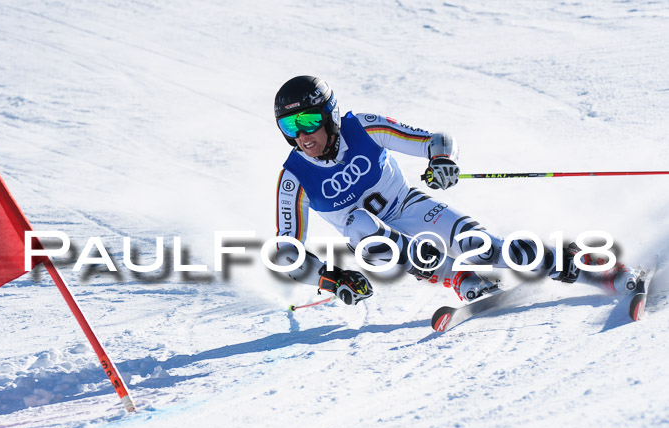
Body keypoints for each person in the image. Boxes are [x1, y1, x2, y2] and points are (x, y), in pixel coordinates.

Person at [273, 75, 640, 306]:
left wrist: (443, 160)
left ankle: (590, 267)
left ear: (331, 115)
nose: (302, 135)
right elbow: (287, 253)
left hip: (411, 207)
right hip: (374, 242)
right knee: (359, 227)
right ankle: (456, 277)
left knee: (489, 249)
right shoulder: (295, 178)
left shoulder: (363, 128)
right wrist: (330, 277)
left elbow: (436, 140)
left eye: (309, 120)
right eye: (291, 125)